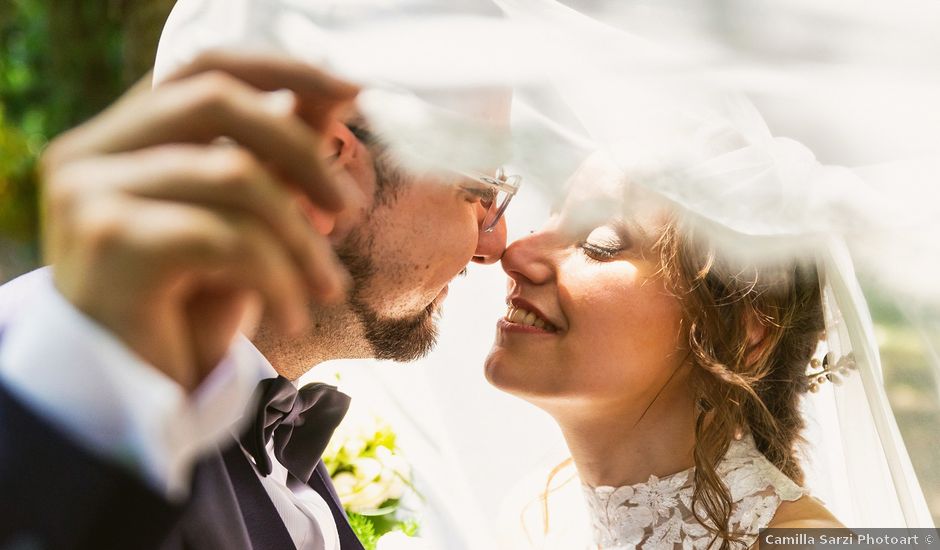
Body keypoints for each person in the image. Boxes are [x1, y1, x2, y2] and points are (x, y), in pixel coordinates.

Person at [0, 46, 513, 550]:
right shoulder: (54, 393)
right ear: (323, 166)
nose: (496, 243)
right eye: (479, 192)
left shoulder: (285, 452)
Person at [484, 153, 845, 549]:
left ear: (744, 330)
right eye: (549, 219)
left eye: (598, 244)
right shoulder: (534, 516)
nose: (515, 254)